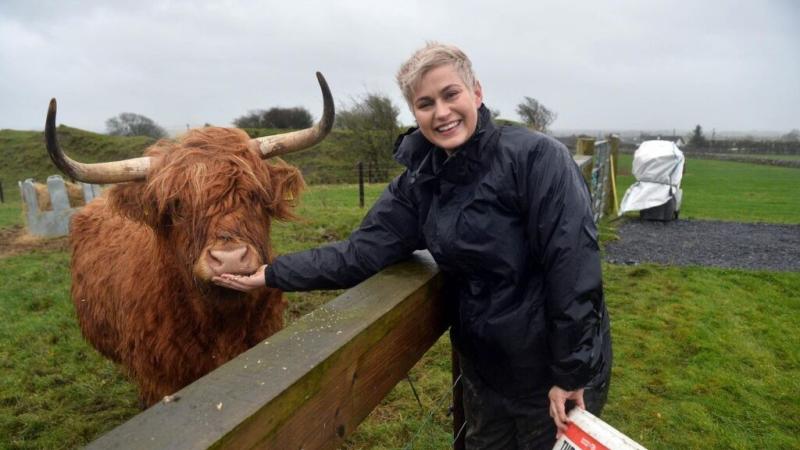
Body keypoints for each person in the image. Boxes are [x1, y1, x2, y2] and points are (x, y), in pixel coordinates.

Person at [213, 42, 612, 450]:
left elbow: (573, 267)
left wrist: (570, 372)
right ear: (414, 112)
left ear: (476, 92)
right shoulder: (420, 182)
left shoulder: (537, 158)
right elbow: (361, 252)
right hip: (485, 372)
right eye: (425, 103)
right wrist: (272, 273)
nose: (442, 112)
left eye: (451, 94)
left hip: (549, 372)